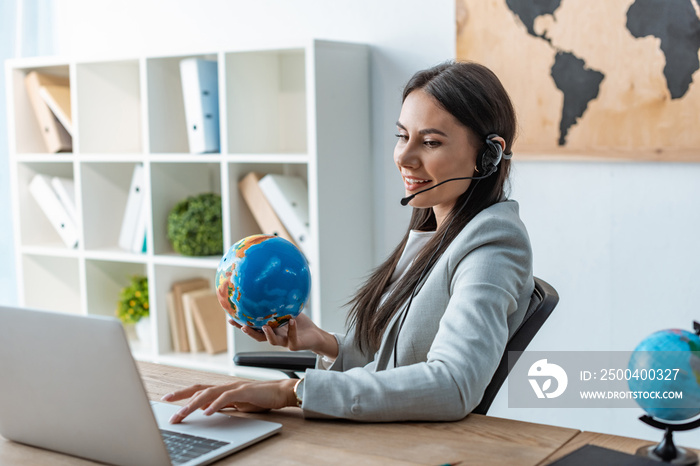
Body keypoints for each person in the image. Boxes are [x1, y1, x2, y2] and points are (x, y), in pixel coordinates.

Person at [164, 61, 534, 423]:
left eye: (431, 142)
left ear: (488, 155)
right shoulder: (437, 232)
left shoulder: (493, 246)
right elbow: (394, 361)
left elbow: (454, 384)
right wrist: (323, 341)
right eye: (402, 136)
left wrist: (289, 393)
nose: (404, 157)